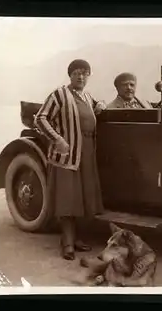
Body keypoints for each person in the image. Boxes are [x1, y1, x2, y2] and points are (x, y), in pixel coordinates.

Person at [34, 59, 107, 261]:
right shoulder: (59, 94)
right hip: (67, 154)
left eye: (84, 73)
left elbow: (93, 106)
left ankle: (76, 239)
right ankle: (66, 243)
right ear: (70, 76)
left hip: (87, 152)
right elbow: (40, 118)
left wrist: (100, 104)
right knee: (68, 198)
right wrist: (57, 139)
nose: (81, 77)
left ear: (88, 76)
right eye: (76, 73)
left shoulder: (86, 95)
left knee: (82, 197)